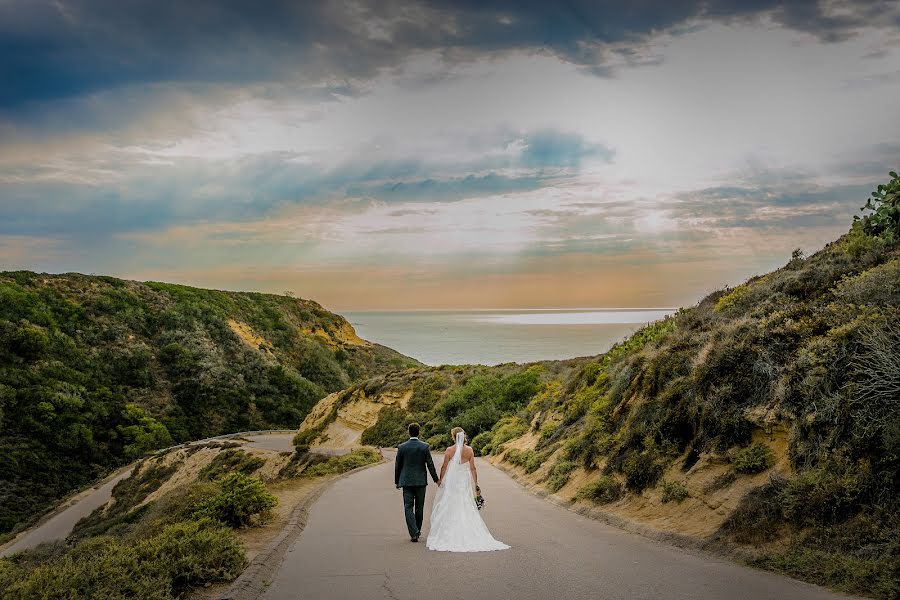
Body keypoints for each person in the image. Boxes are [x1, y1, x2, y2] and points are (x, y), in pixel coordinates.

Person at [426, 427, 509, 552]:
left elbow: (444, 466)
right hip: (464, 480)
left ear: (453, 437)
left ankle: (451, 530)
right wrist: (476, 484)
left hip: (452, 480)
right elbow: (473, 468)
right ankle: (468, 530)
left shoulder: (449, 450)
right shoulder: (469, 450)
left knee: (451, 502)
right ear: (463, 436)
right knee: (465, 502)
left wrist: (441, 480)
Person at [394, 422, 438, 542]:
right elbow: (430, 464)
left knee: (408, 507)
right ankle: (417, 530)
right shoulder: (425, 446)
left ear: (409, 432)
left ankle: (414, 533)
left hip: (406, 482)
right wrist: (436, 479)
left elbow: (398, 465)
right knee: (419, 507)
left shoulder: (402, 447)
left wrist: (397, 481)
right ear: (419, 432)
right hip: (420, 482)